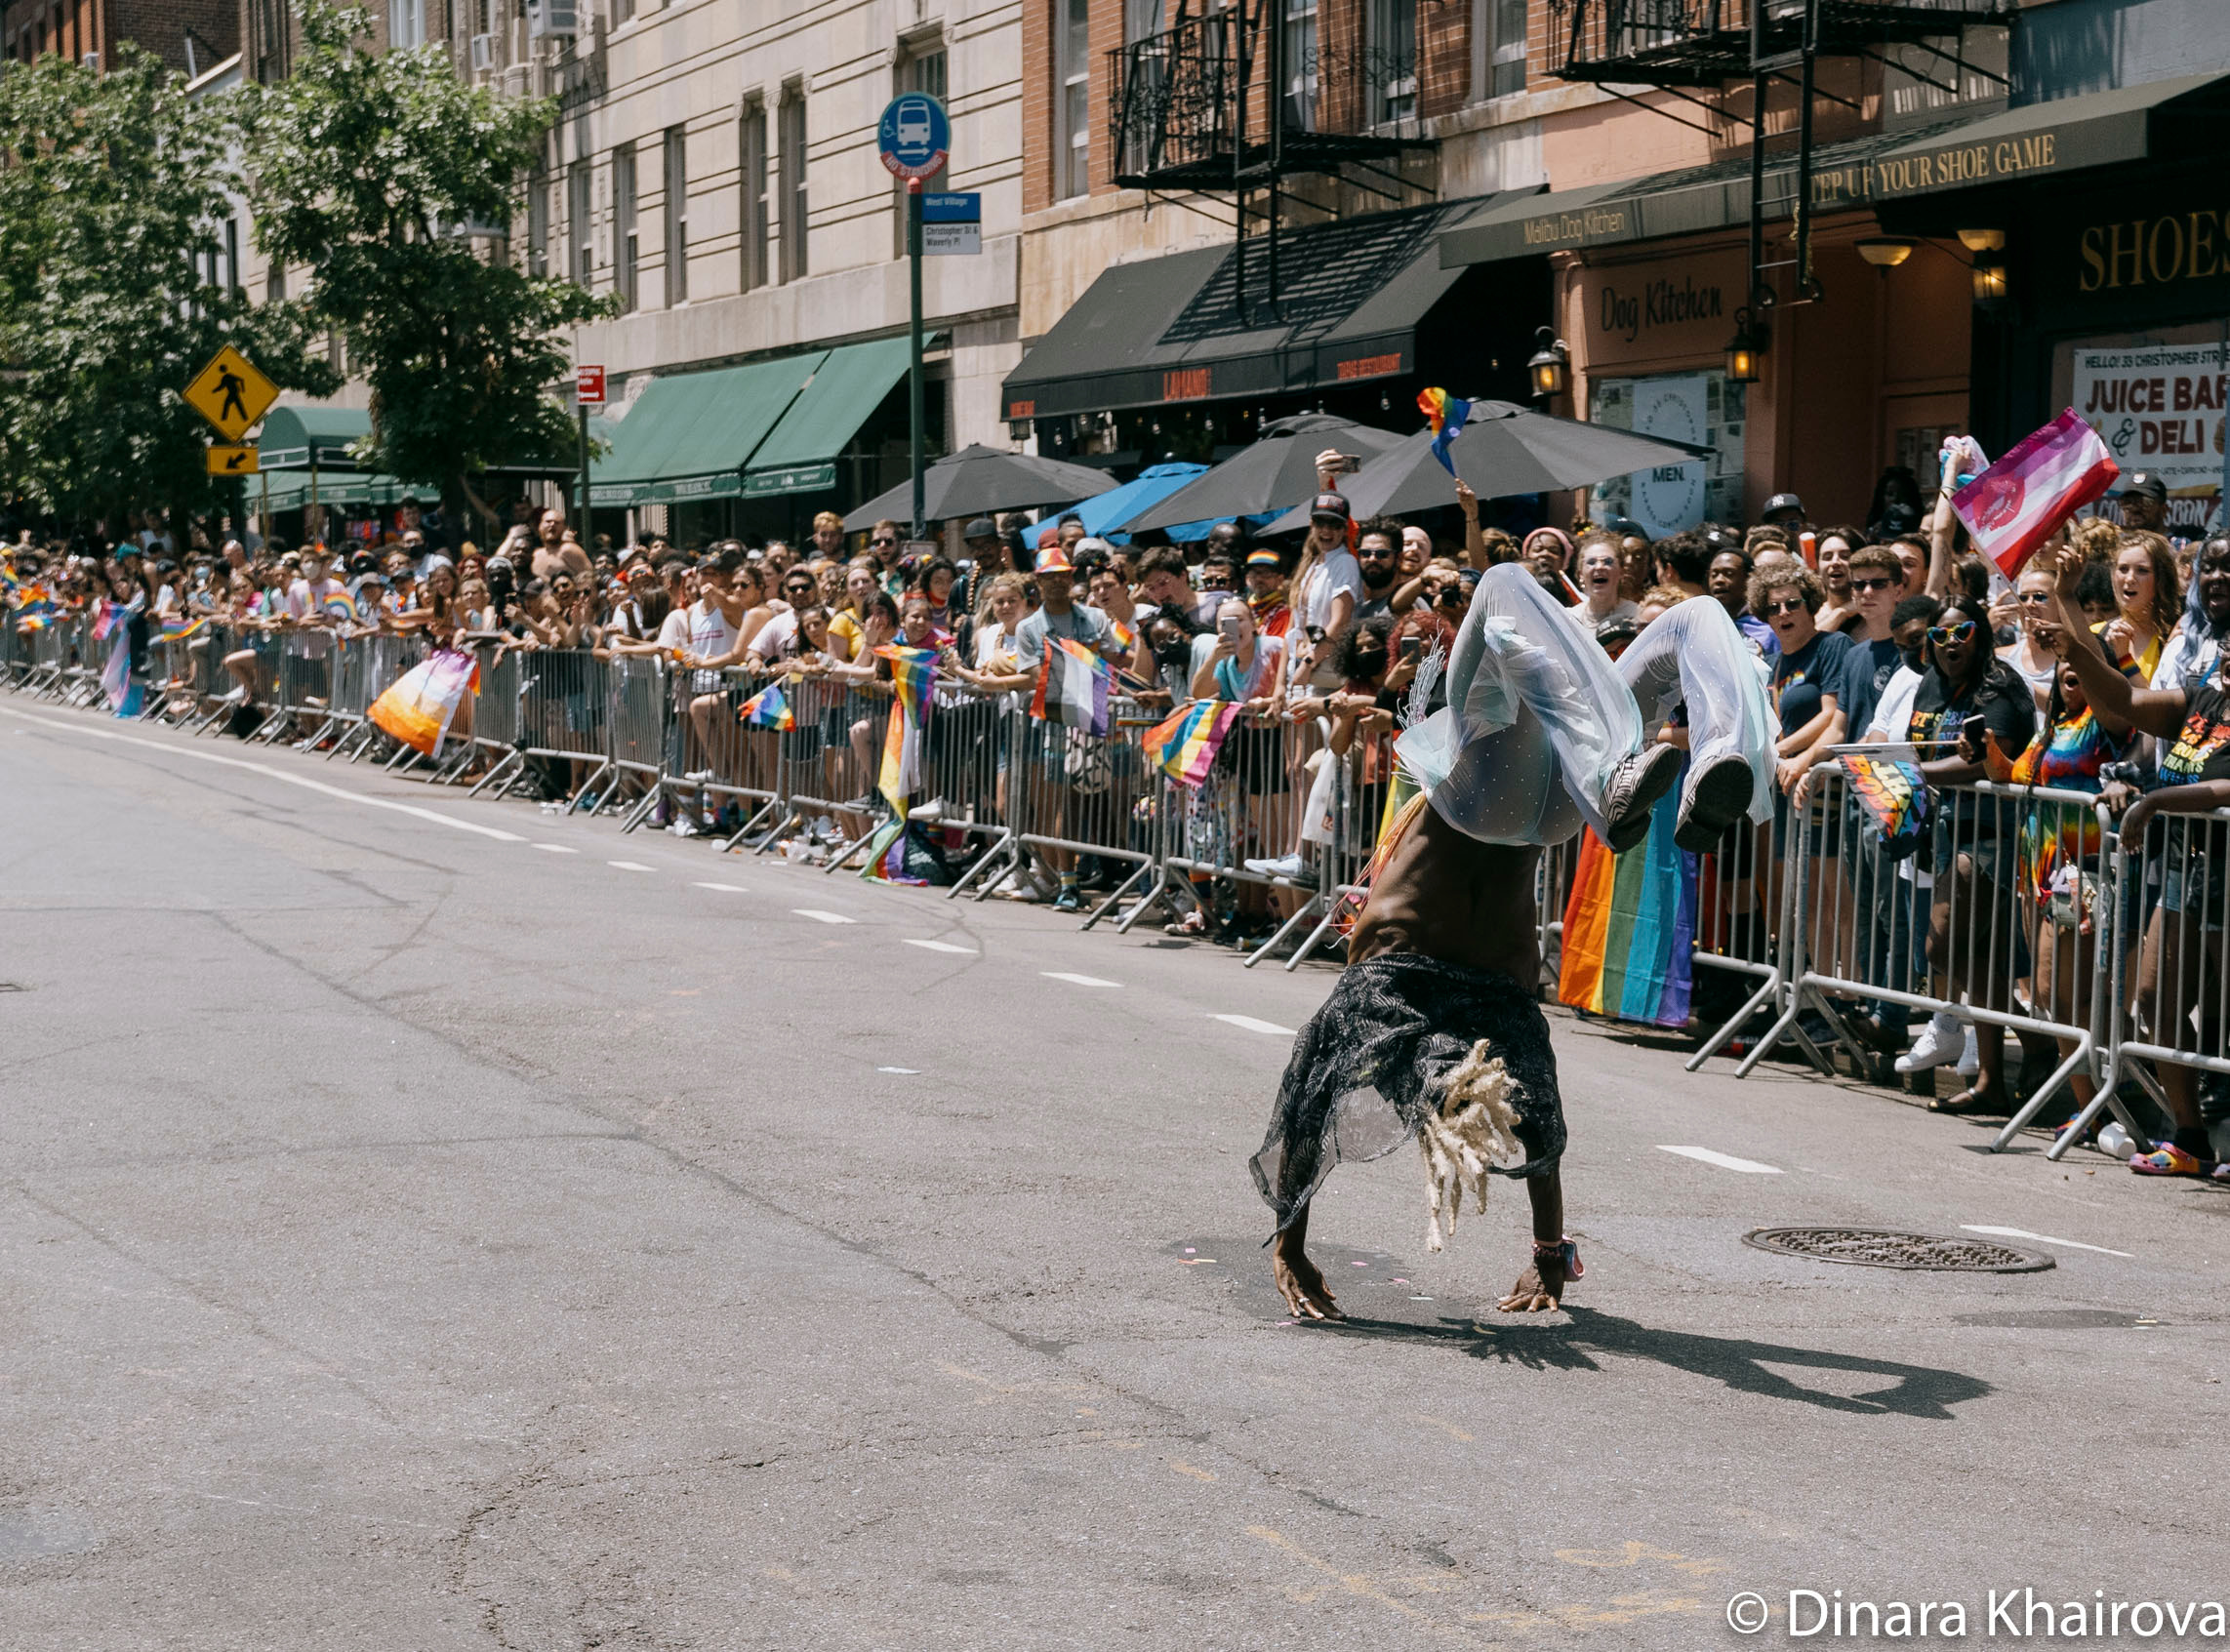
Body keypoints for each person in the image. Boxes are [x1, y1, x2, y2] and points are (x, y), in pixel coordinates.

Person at [1254, 567, 1772, 1319]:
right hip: (1563, 795)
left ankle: (1702, 768)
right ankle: (1690, 765)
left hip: (1501, 807)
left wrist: (1289, 1240)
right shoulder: (1481, 976)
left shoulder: (1467, 739)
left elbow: (1311, 1100)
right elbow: (1538, 1122)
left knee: (1522, 585)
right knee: (1687, 617)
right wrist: (1548, 1254)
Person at [2038, 533, 2230, 1177]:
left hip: (2222, 866)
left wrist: (2155, 803)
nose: (2219, 575)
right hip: (2184, 865)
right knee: (2153, 998)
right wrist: (2070, 626)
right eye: (2213, 566)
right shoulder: (2205, 682)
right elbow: (2121, 703)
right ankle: (2189, 1139)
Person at [1902, 593, 2039, 1114]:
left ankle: (2036, 1044)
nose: (1950, 644)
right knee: (1978, 959)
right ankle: (1992, 1081)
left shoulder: (2000, 685)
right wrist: (1915, 766)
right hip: (1947, 831)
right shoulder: (1931, 685)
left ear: (1981, 634)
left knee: (1941, 949)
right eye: (1940, 636)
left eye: (1962, 633)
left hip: (1994, 836)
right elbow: (1921, 747)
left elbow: (1992, 765)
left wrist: (1917, 774)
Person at [2114, 470, 2169, 535]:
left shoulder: (2180, 543)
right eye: (2127, 503)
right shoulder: (2115, 543)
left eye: (2144, 503)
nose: (2135, 509)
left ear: (2163, 510)